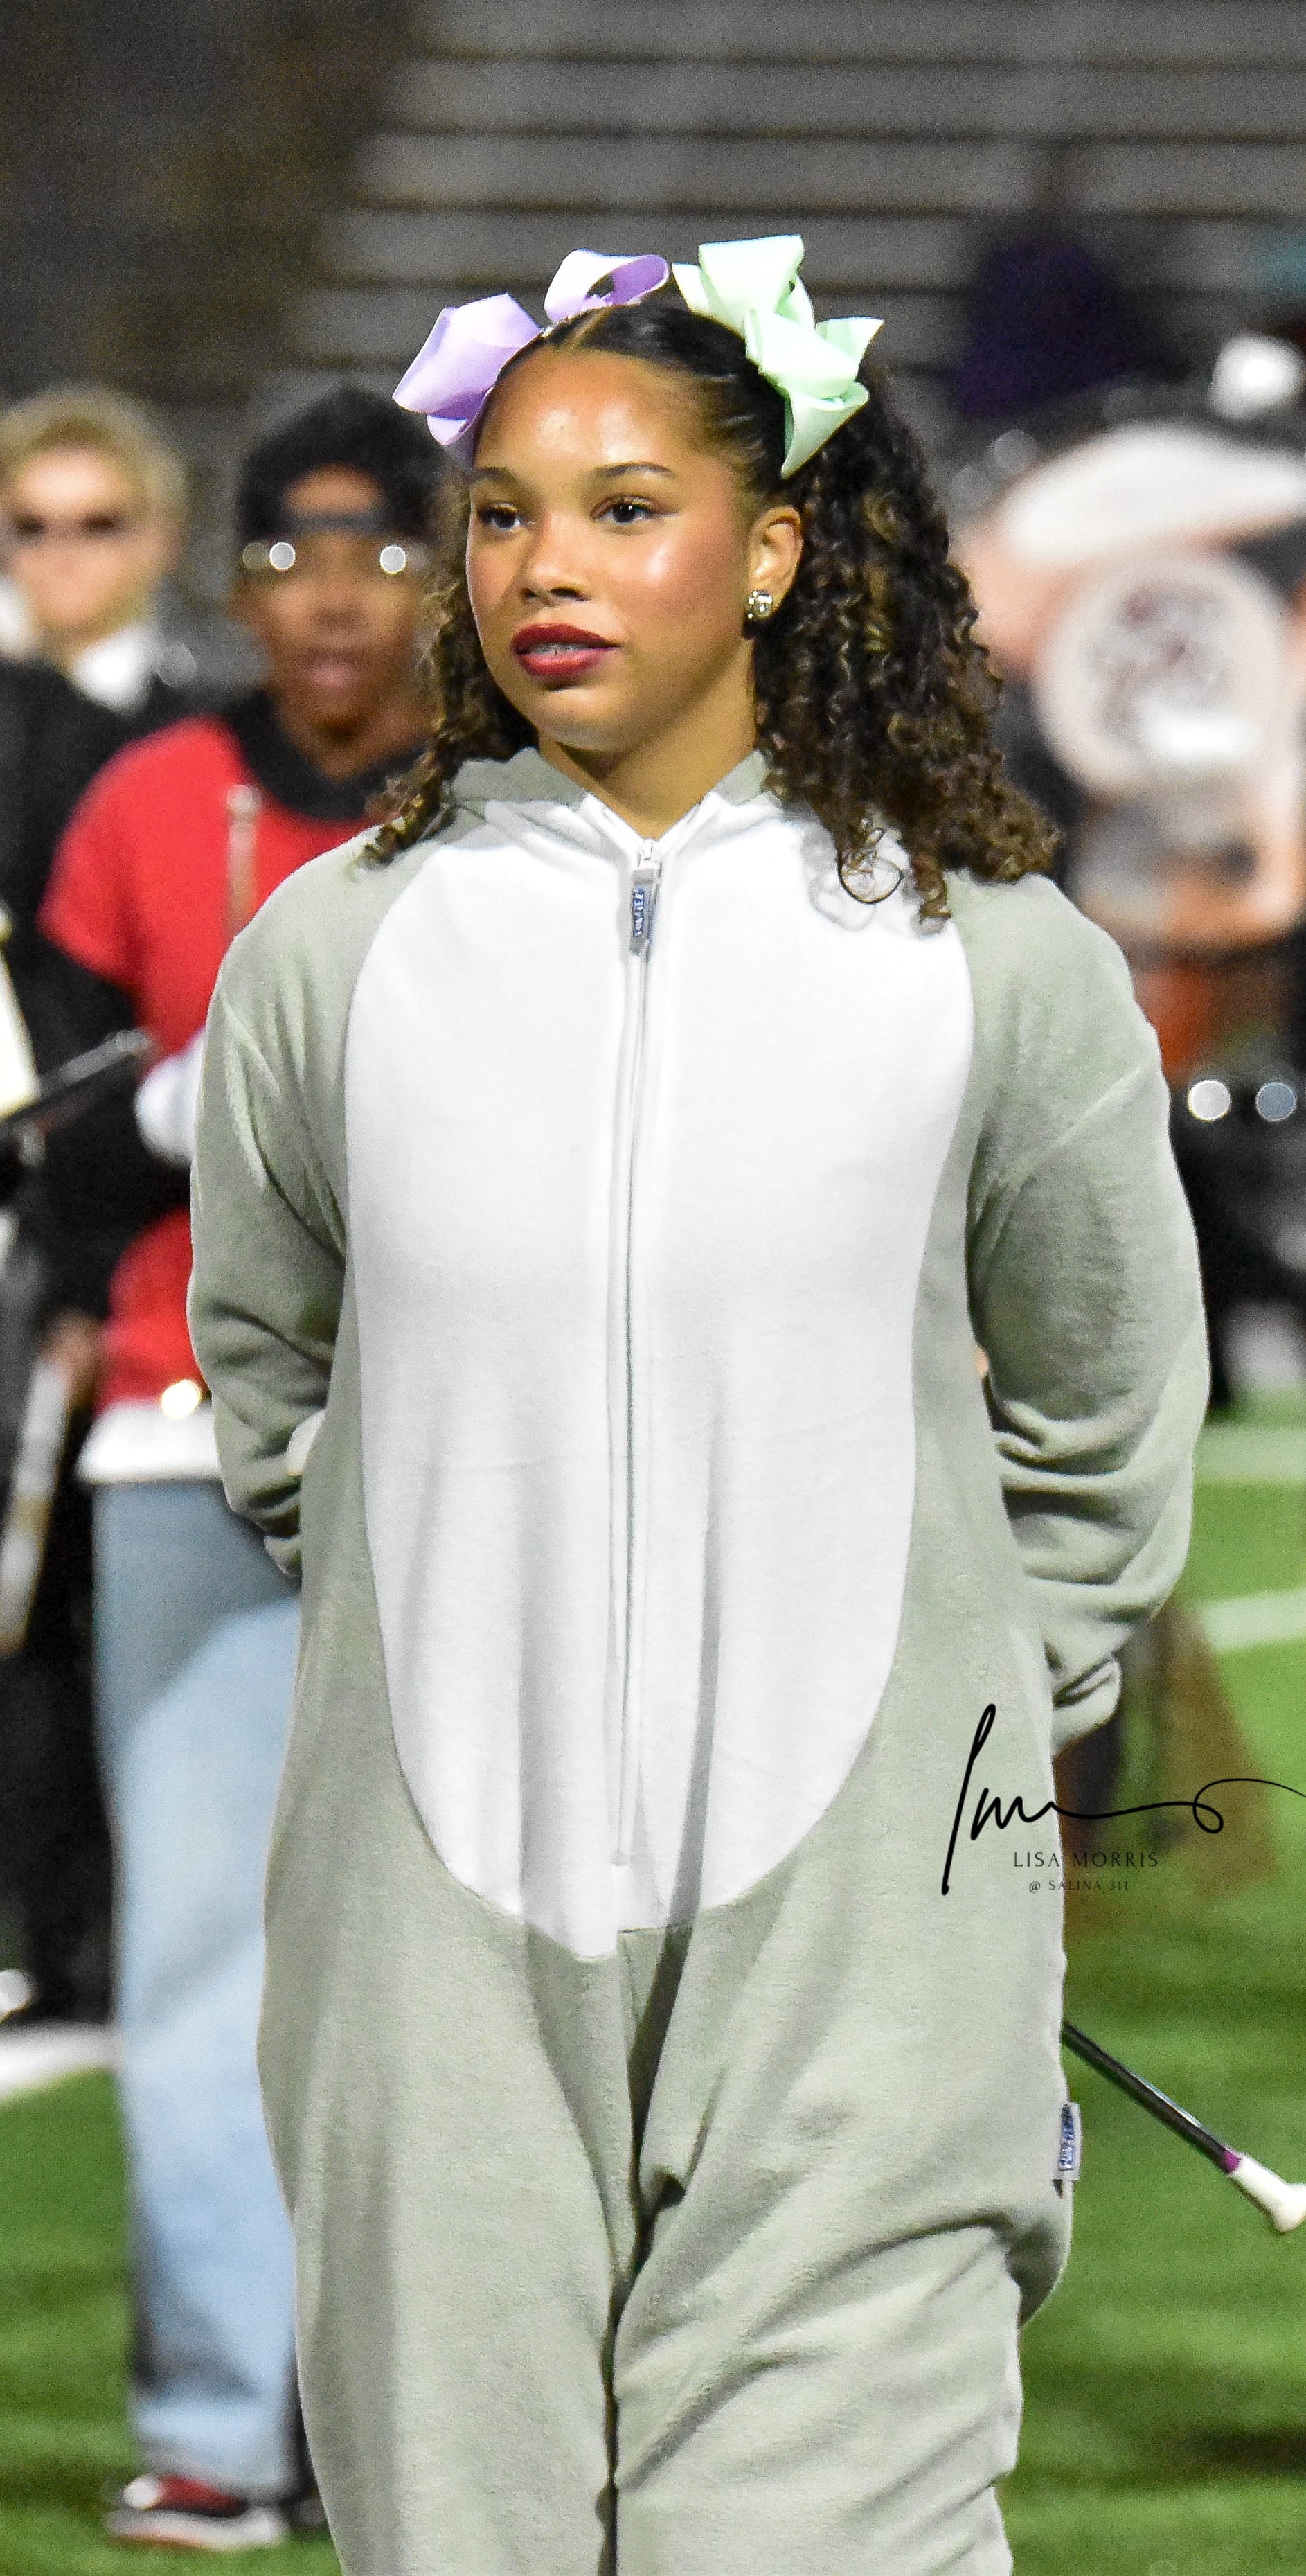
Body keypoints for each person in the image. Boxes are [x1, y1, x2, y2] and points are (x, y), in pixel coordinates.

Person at [190, 240, 1208, 2575]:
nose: (543, 565)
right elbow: (270, 1376)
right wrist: (428, 1610)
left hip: (869, 1927)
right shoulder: (329, 954)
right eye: (502, 514)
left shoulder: (990, 955)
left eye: (623, 507)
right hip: (428, 1927)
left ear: (769, 549)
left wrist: (958, 1710)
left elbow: (1103, 1409)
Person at [39, 384, 438, 2550]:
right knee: (202, 1954)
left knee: (476, 1952)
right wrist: (201, 1100)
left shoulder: (521, 798)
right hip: (178, 1432)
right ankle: (219, 2416)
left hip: (465, 1451)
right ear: (237, 580)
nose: (333, 598)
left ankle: (453, 2410)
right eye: (290, 556)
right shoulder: (144, 799)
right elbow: (57, 1145)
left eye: (380, 550)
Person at [0, 387, 197, 720]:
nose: (60, 553)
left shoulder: (204, 723)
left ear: (162, 540)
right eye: (31, 527)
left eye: (98, 526)